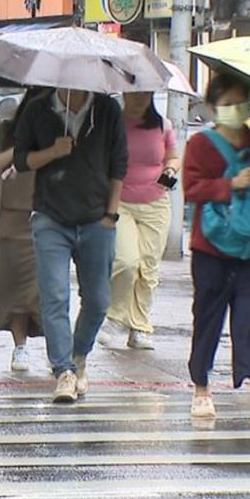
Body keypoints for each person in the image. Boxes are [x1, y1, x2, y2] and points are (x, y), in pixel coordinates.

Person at [183, 73, 250, 425]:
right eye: (226, 104)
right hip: (211, 250)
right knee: (208, 319)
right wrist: (230, 184)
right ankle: (201, 388)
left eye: (239, 102)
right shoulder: (200, 145)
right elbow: (192, 188)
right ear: (213, 108)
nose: (233, 109)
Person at [13, 87, 127, 403]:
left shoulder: (106, 110)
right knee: (55, 296)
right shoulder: (38, 109)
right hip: (51, 217)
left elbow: (119, 162)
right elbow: (21, 160)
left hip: (96, 219)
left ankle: (79, 354)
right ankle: (63, 371)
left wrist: (111, 213)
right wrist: (52, 152)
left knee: (99, 299)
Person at [101, 92, 180, 351]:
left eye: (145, 94)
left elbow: (173, 156)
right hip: (120, 200)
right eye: (135, 93)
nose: (140, 99)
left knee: (148, 267)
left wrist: (170, 170)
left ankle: (140, 326)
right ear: (125, 94)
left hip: (156, 203)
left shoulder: (162, 125)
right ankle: (115, 316)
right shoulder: (114, 123)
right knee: (126, 261)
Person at [0, 88, 47, 372]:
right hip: (9, 222)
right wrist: (16, 150)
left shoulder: (56, 135)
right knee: (13, 291)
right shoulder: (6, 132)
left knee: (43, 289)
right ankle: (19, 346)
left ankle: (55, 345)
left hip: (46, 218)